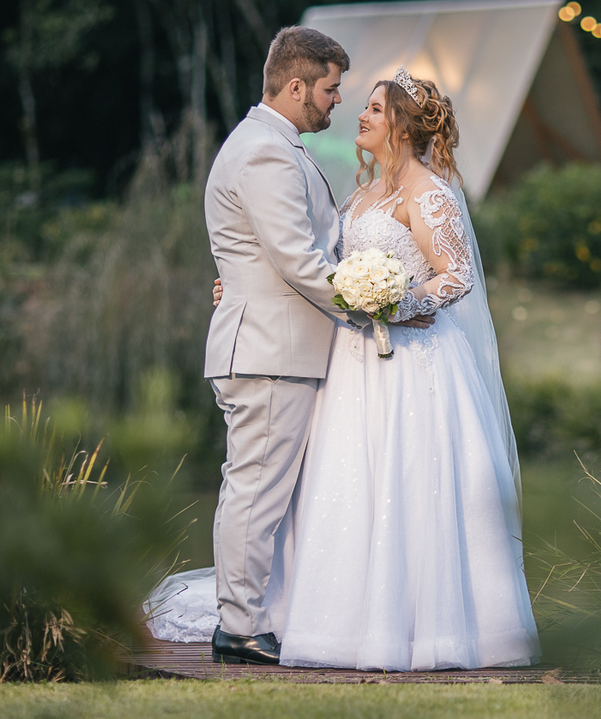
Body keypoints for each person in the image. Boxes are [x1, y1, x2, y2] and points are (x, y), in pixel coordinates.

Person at [148, 66, 538, 672]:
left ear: (402, 126)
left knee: (408, 484)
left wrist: (396, 303)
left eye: (375, 109)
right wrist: (243, 283)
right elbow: (312, 262)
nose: (359, 112)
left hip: (413, 364)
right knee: (346, 487)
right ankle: (340, 620)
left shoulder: (430, 194)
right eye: (358, 102)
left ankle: (417, 627)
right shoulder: (359, 196)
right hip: (350, 363)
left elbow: (456, 275)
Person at [198, 27, 431, 666]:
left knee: (265, 491)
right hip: (270, 351)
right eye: (330, 89)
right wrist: (375, 305)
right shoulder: (264, 153)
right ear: (297, 86)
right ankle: (239, 626)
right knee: (255, 490)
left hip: (276, 345)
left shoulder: (271, 145)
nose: (337, 102)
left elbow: (271, 253)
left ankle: (260, 614)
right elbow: (298, 260)